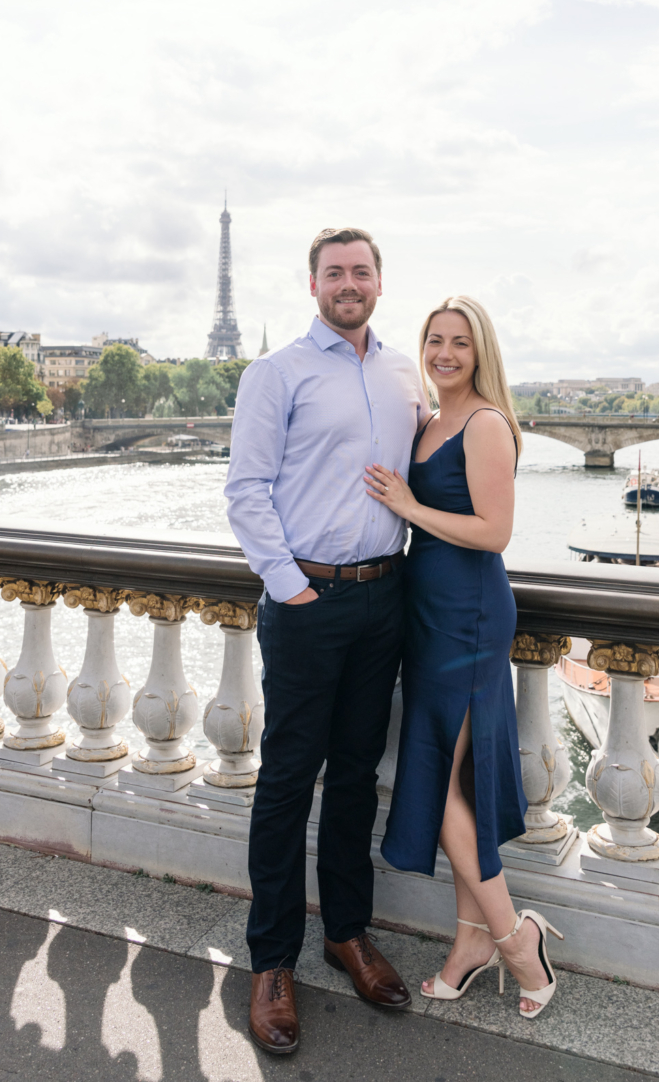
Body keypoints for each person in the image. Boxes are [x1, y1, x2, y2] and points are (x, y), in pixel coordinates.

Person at [225, 227, 427, 1057]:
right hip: (309, 602)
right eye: (335, 271)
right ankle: (271, 960)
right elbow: (246, 491)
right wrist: (291, 588)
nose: (350, 282)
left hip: (386, 597)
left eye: (362, 271)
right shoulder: (277, 372)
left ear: (380, 281)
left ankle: (346, 932)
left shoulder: (403, 372)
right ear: (314, 284)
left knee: (353, 777)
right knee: (286, 780)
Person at [367, 296, 563, 1020]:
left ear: (481, 353)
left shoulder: (484, 424)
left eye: (460, 343)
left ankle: (516, 938)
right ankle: (470, 941)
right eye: (435, 340)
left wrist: (409, 508)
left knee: (437, 777)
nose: (445, 352)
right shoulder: (428, 419)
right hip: (427, 613)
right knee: (453, 779)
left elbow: (495, 531)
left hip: (470, 617)